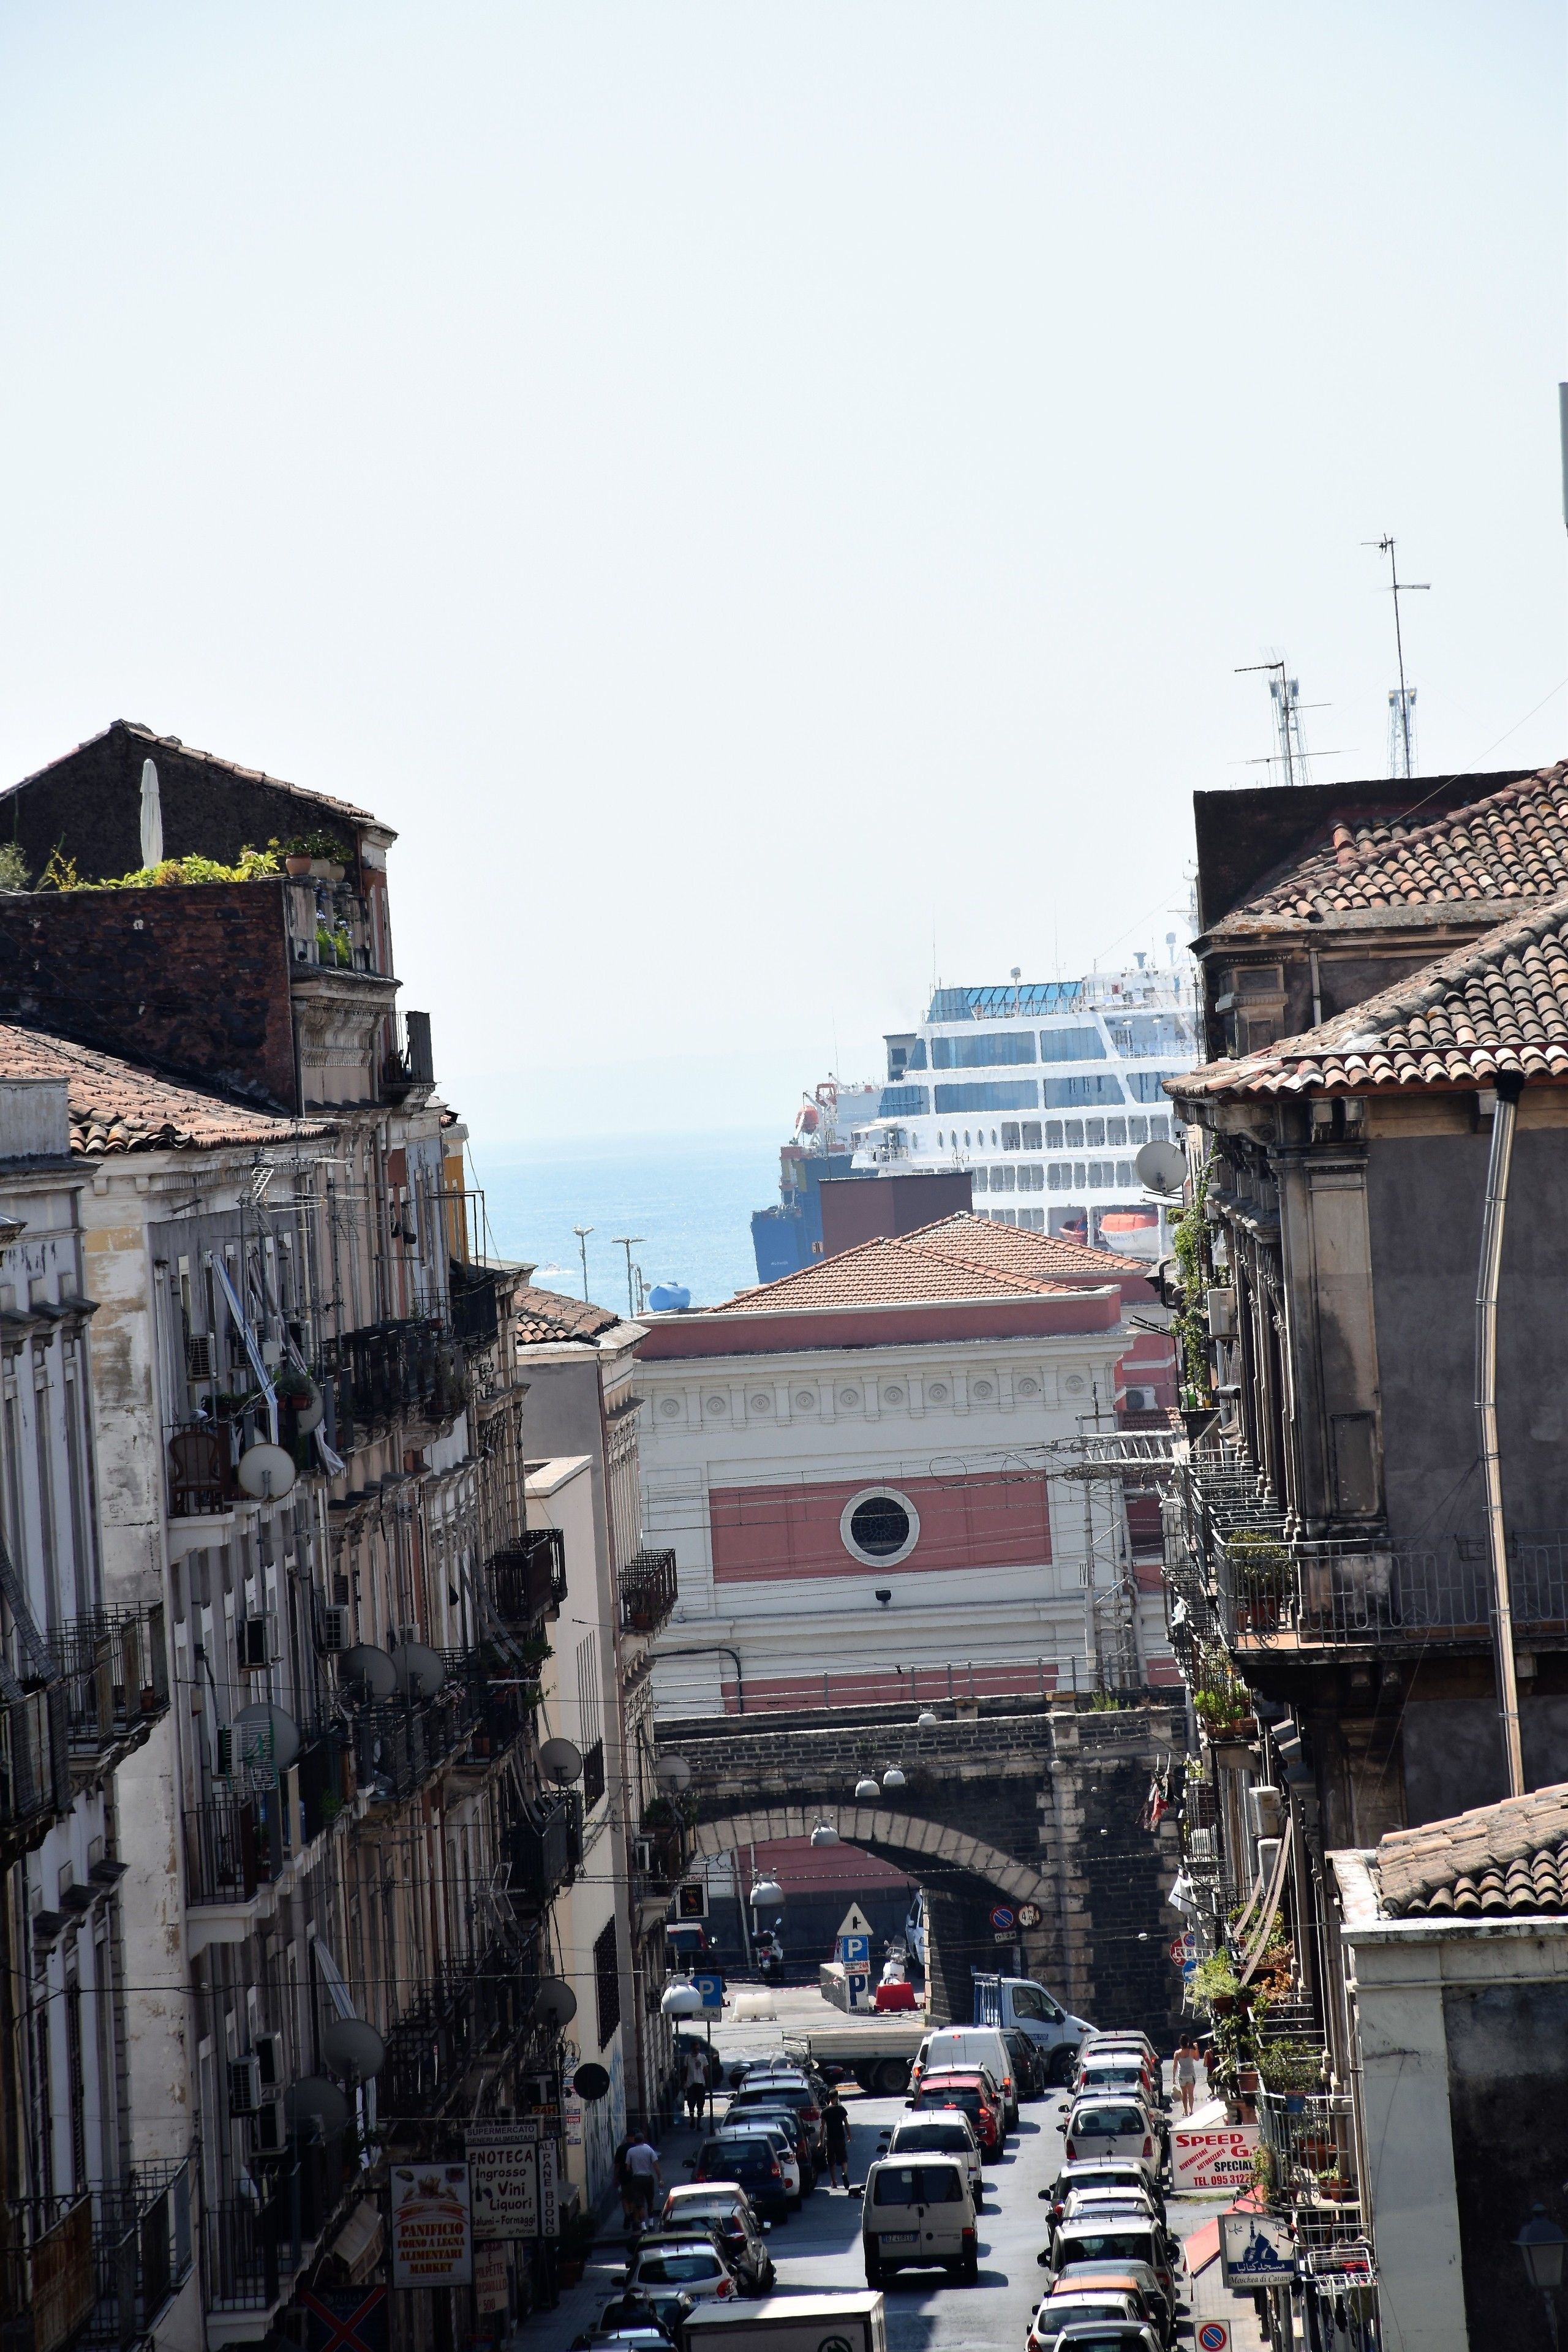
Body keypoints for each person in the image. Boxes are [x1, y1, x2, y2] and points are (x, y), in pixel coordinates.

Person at [623, 2128, 663, 2224]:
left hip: (636, 2179)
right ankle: (651, 2223)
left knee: (640, 2203)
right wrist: (660, 2179)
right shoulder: (649, 2150)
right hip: (648, 2178)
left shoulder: (631, 2151)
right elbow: (656, 2166)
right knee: (650, 2201)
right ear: (643, 2140)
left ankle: (643, 2226)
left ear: (635, 2141)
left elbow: (628, 2168)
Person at [821, 2087, 851, 2189]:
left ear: (829, 2098)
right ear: (837, 2097)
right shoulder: (841, 2109)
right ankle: (845, 2174)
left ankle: (834, 2182)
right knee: (844, 2158)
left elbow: (822, 2128)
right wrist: (849, 2135)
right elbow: (846, 2123)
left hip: (830, 2139)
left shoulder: (825, 2111)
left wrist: (820, 2142)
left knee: (831, 2161)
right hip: (840, 2138)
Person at [1174, 2032, 1201, 2117]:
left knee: (1184, 2094)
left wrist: (1173, 2077)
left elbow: (1175, 2066)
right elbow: (1197, 2059)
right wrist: (1196, 2048)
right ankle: (1191, 2110)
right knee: (1191, 2094)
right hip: (1191, 2075)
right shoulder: (1192, 2051)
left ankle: (1185, 2111)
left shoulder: (1177, 2053)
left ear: (1180, 2043)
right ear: (1188, 2043)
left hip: (1182, 2075)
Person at [682, 2043, 709, 2125]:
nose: (696, 2051)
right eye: (695, 2049)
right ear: (692, 2049)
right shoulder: (687, 2058)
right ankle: (692, 2118)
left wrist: (707, 2083)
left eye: (698, 2049)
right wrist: (683, 2082)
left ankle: (699, 2123)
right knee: (691, 2103)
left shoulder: (703, 2057)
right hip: (691, 2084)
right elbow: (685, 2071)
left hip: (700, 2084)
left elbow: (706, 2070)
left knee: (701, 2104)